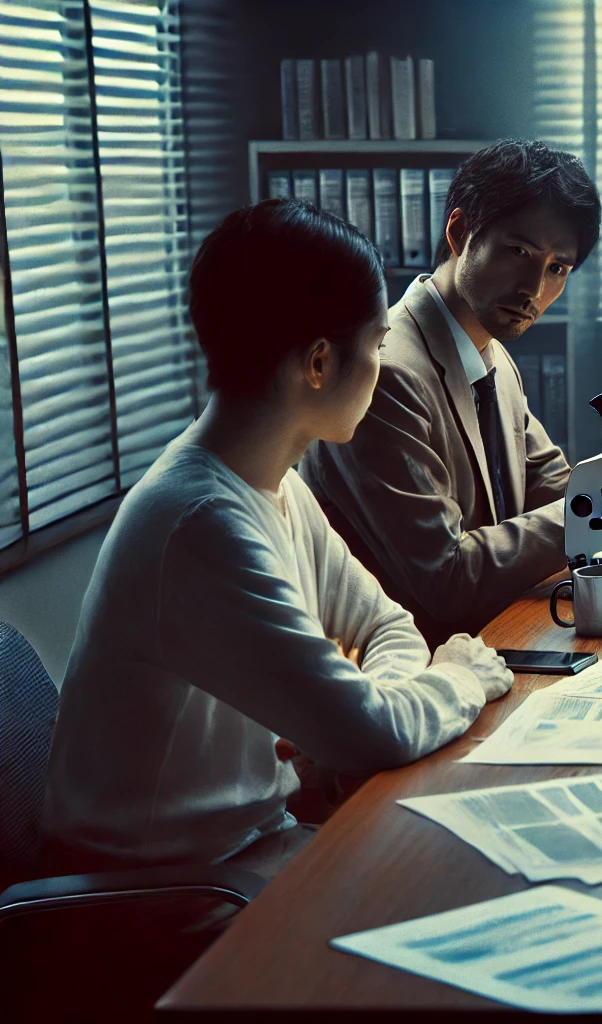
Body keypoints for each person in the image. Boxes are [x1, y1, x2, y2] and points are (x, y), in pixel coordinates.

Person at [43, 199, 513, 876]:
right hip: (167, 894)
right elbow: (373, 731)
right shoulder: (201, 522)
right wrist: (457, 678)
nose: (383, 366)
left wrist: (374, 716)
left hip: (255, 845)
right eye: (378, 344)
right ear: (318, 363)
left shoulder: (275, 482)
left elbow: (386, 627)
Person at [300, 139, 602, 646]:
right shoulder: (387, 375)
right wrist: (589, 502)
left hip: (493, 639)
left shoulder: (491, 355)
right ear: (458, 232)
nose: (534, 289)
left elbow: (552, 489)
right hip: (413, 665)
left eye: (558, 268)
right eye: (518, 252)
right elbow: (445, 579)